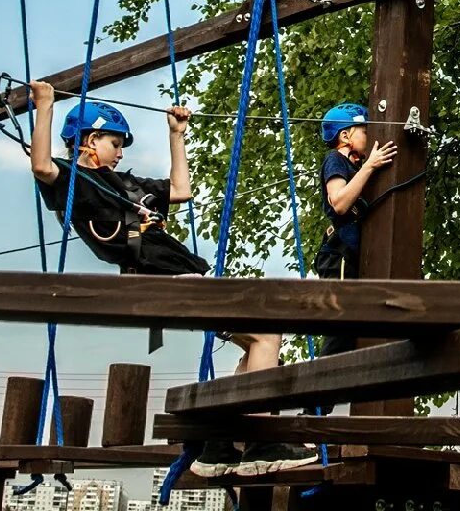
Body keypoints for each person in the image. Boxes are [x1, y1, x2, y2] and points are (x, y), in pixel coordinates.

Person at [28, 81, 310, 475]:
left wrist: (176, 136)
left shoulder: (127, 184)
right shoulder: (75, 181)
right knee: (266, 334)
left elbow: (181, 190)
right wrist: (44, 107)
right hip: (161, 279)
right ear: (91, 140)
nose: (120, 151)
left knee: (256, 344)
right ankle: (261, 443)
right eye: (114, 142)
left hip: (176, 277)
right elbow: (42, 166)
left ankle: (217, 446)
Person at [314, 103, 396, 356]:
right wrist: (370, 166)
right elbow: (338, 202)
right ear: (345, 135)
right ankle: (317, 391)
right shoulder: (335, 159)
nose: (371, 137)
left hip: (351, 257)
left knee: (355, 330)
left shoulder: (354, 168)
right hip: (339, 256)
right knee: (342, 324)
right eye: (364, 131)